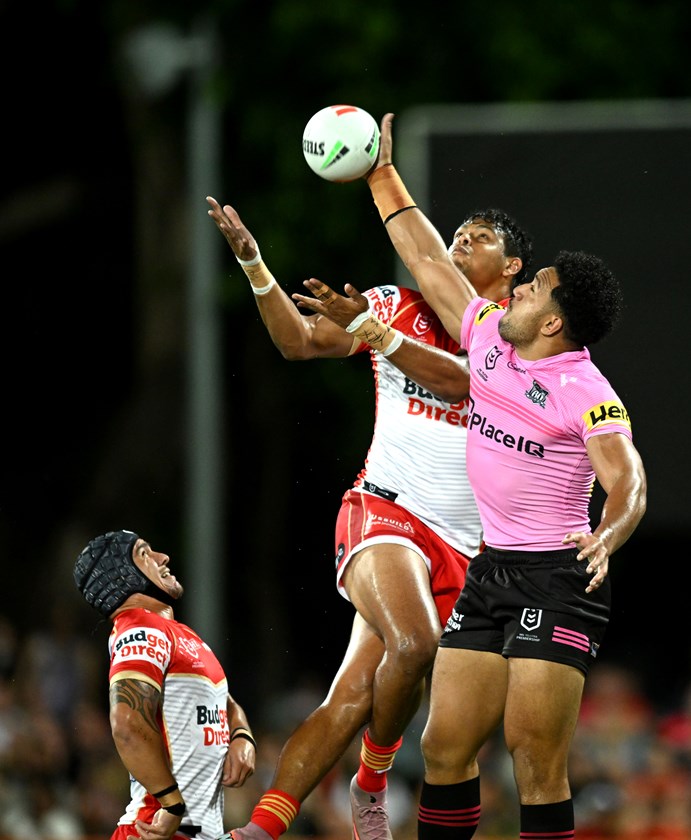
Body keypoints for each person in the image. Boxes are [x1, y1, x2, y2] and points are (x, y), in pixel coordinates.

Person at [293, 113, 648, 840]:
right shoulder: (488, 339)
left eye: (533, 289)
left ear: (553, 323)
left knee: (534, 759)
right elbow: (427, 259)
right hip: (490, 572)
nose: (516, 293)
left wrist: (608, 534)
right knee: (444, 748)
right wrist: (381, 175)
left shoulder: (586, 390)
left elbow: (628, 479)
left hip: (556, 577)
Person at [206, 194, 533, 840]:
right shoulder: (392, 305)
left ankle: (261, 828)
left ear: (512, 266)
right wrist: (254, 265)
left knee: (355, 695)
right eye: (455, 236)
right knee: (414, 643)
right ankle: (372, 781)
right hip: (386, 510)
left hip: (465, 549)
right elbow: (299, 342)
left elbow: (460, 382)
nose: (459, 243)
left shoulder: (519, 338)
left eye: (479, 237)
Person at [73, 529, 256, 840]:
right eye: (144, 553)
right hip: (157, 829)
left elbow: (225, 702)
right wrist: (171, 804)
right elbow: (127, 722)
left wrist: (241, 734)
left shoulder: (180, 634)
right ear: (121, 574)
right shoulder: (140, 627)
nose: (163, 557)